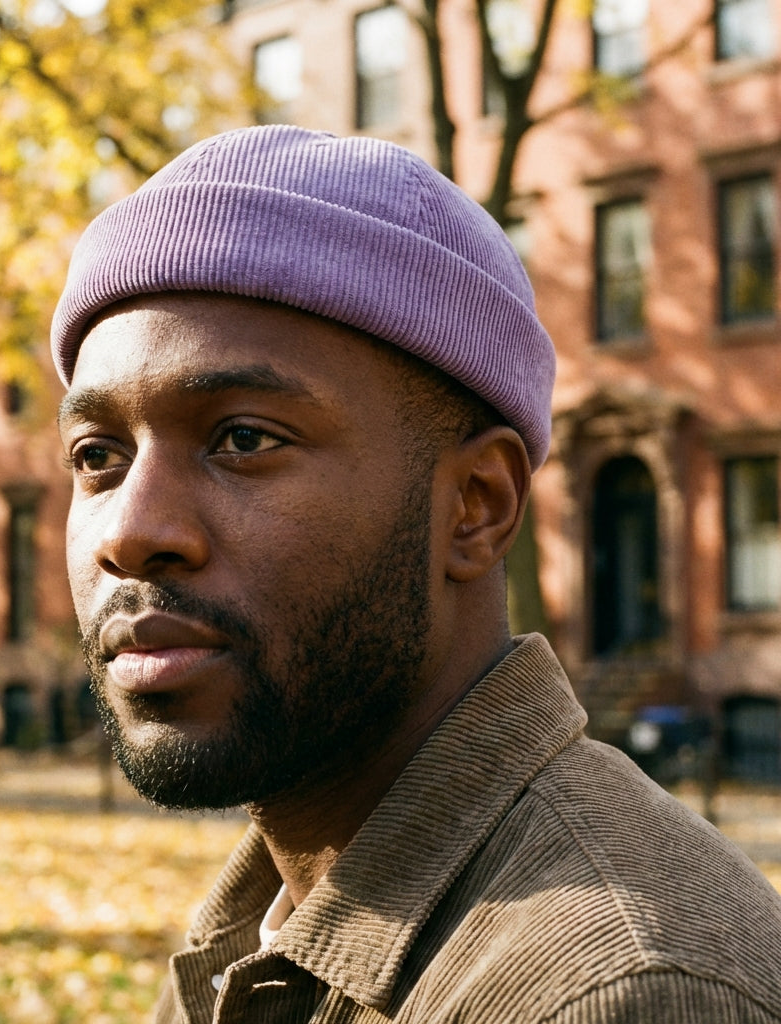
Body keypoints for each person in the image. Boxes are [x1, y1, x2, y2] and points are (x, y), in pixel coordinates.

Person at [50, 125, 781, 1023]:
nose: (131, 531)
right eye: (97, 455)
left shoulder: (621, 992)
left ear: (476, 504)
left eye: (243, 439)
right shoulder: (263, 919)